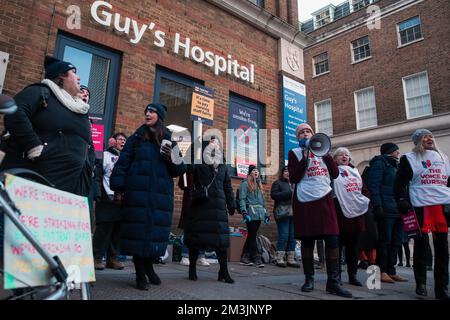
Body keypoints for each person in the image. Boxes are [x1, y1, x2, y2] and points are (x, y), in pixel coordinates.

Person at [110, 102, 186, 290]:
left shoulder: (169, 138)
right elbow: (123, 163)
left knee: (154, 233)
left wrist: (171, 158)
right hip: (138, 191)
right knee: (138, 232)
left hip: (160, 193)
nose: (147, 113)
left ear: (159, 116)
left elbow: (180, 169)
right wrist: (118, 188)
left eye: (151, 111)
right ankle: (139, 274)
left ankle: (149, 267)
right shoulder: (137, 136)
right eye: (146, 111)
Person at [1, 55, 93, 197]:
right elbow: (15, 111)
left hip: (69, 190)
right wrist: (33, 145)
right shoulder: (41, 92)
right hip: (33, 181)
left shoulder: (81, 108)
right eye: (74, 72)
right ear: (61, 76)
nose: (79, 78)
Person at [288, 123, 352, 298]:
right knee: (308, 241)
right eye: (302, 133)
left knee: (332, 239)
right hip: (305, 200)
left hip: (324, 197)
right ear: (297, 137)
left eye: (308, 131)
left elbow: (335, 173)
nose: (306, 134)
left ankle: (333, 282)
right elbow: (294, 176)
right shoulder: (294, 153)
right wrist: (306, 157)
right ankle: (309, 279)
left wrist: (326, 154)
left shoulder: (324, 152)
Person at [395, 129, 450, 300]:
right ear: (418, 141)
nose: (429, 138)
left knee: (442, 247)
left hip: (441, 204)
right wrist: (401, 199)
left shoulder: (443, 157)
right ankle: (421, 283)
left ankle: (442, 287)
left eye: (431, 136)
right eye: (425, 136)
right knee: (421, 245)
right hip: (420, 205)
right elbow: (399, 182)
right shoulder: (409, 158)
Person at [183, 136, 236, 283]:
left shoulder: (224, 166)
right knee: (196, 238)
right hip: (201, 205)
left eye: (217, 143)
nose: (215, 145)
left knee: (221, 241)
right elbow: (188, 165)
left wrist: (231, 204)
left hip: (218, 207)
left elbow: (228, 187)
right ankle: (192, 269)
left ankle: (223, 271)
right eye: (212, 143)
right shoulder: (199, 163)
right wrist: (195, 147)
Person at [367, 142, 408, 283]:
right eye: (396, 150)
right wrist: (377, 205)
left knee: (397, 241)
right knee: (385, 240)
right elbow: (374, 185)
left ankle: (391, 270)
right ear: (390, 151)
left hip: (398, 209)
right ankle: (382, 271)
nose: (398, 153)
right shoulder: (380, 163)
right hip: (386, 208)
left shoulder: (396, 165)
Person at [332, 147, 369, 287]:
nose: (344, 156)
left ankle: (352, 275)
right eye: (341, 155)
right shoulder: (332, 172)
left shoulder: (355, 172)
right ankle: (337, 276)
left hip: (356, 215)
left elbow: (364, 190)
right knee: (337, 246)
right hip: (339, 214)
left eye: (347, 155)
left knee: (353, 247)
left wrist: (364, 201)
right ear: (335, 159)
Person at [93, 132, 127, 270]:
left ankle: (112, 259)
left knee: (117, 232)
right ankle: (96, 258)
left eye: (125, 140)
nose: (122, 141)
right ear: (113, 141)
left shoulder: (127, 157)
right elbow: (98, 176)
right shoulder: (105, 156)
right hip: (106, 198)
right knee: (103, 231)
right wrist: (98, 193)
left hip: (122, 200)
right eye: (120, 139)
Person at [239, 165, 269, 268]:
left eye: (257, 170)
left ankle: (244, 257)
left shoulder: (259, 185)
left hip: (259, 214)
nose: (256, 172)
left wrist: (266, 214)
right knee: (252, 235)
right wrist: (244, 212)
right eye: (254, 170)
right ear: (250, 173)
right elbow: (242, 199)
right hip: (250, 213)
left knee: (252, 235)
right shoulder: (245, 184)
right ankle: (256, 257)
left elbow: (263, 202)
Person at [270, 166, 300, 268]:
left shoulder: (295, 184)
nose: (288, 173)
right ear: (282, 173)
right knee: (284, 235)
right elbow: (274, 195)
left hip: (295, 212)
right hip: (283, 213)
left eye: (290, 171)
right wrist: (289, 192)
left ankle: (290, 259)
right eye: (286, 171)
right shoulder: (278, 183)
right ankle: (279, 258)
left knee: (292, 236)